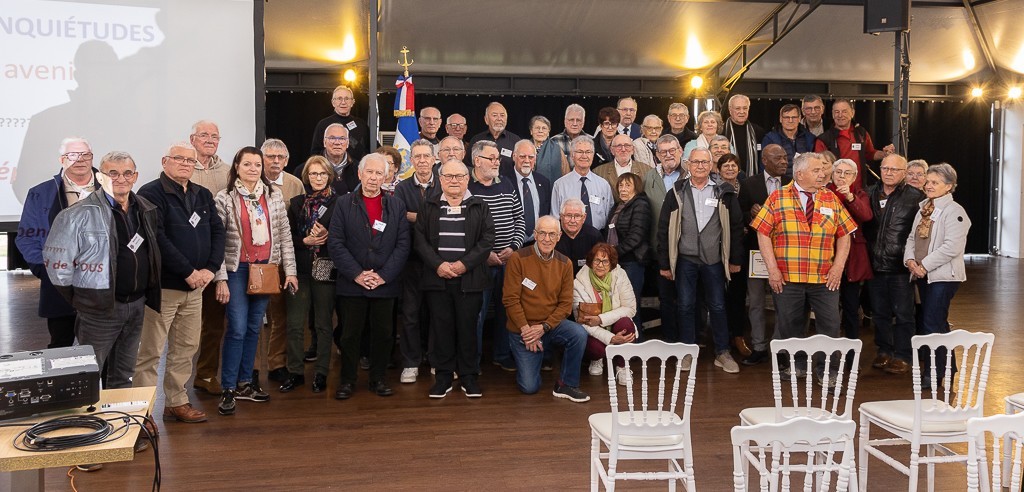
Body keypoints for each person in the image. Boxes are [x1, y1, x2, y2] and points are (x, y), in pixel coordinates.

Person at [45, 151, 161, 390]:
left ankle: (118, 415)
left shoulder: (145, 209)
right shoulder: (76, 214)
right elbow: (58, 267)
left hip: (136, 306)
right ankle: (83, 415)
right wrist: (85, 300)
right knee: (86, 376)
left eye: (127, 173)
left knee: (123, 375)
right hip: (98, 311)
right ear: (100, 177)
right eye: (113, 173)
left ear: (135, 177)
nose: (121, 179)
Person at [135, 143, 225, 424]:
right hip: (164, 288)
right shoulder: (150, 193)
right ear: (165, 162)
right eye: (179, 159)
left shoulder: (202, 194)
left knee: (185, 349)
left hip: (196, 288)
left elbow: (218, 231)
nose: (186, 163)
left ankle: (176, 402)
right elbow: (157, 238)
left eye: (190, 160)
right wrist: (188, 271)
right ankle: (142, 413)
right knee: (151, 352)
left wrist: (210, 269)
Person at [750, 152, 856, 384]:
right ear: (799, 174)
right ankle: (797, 365)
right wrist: (772, 270)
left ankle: (828, 370)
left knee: (830, 325)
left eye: (823, 170)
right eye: (816, 170)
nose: (823, 174)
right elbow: (762, 233)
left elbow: (845, 234)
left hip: (825, 277)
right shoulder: (778, 197)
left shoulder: (830, 197)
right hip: (788, 277)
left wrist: (838, 267)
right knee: (790, 326)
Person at [213, 147, 298, 416]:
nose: (253, 169)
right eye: (247, 164)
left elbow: (284, 236)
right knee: (237, 328)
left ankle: (245, 383)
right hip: (236, 270)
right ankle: (228, 387)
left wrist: (290, 271)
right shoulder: (224, 198)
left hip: (266, 269)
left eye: (257, 165)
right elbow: (217, 241)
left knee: (253, 328)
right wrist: (220, 278)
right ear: (236, 167)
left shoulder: (273, 196)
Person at [329, 153, 410, 400]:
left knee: (384, 334)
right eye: (369, 172)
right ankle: (347, 381)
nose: (374, 178)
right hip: (352, 282)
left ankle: (378, 379)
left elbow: (403, 245)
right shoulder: (343, 203)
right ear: (360, 174)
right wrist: (357, 274)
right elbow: (336, 243)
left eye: (379, 173)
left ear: (386, 177)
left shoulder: (396, 205)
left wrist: (383, 276)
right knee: (350, 335)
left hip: (385, 283)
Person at [657, 147, 744, 373]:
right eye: (696, 162)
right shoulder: (676, 191)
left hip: (714, 259)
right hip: (685, 259)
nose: (700, 166)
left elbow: (736, 227)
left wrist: (735, 259)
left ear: (711, 165)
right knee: (685, 305)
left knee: (718, 305)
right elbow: (664, 228)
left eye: (705, 162)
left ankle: (722, 352)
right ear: (688, 164)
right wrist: (665, 263)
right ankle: (688, 350)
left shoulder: (724, 191)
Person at [413, 159, 495, 398]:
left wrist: (463, 265)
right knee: (441, 329)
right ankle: (444, 377)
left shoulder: (480, 206)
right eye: (448, 176)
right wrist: (438, 265)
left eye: (459, 176)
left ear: (467, 179)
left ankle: (469, 376)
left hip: (470, 280)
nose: (454, 181)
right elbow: (420, 240)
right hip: (437, 279)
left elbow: (487, 239)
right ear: (440, 180)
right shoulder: (428, 206)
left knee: (468, 329)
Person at [16, 137, 96, 349]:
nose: (80, 159)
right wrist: (45, 270)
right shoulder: (40, 193)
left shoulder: (110, 189)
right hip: (59, 287)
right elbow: (26, 237)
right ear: (62, 160)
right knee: (61, 348)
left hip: (103, 286)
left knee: (104, 351)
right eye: (72, 155)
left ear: (92, 158)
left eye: (85, 154)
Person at [503, 215, 590, 402]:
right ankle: (531, 357)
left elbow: (565, 304)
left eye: (552, 234)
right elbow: (510, 300)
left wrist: (543, 327)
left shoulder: (565, 263)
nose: (547, 239)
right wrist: (527, 331)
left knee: (578, 334)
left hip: (549, 327)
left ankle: (566, 384)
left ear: (559, 237)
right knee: (529, 387)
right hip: (523, 330)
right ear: (535, 234)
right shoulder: (518, 258)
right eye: (542, 233)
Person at [904, 163, 971, 389]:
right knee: (935, 322)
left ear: (949, 186)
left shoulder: (955, 211)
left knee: (932, 322)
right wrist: (910, 260)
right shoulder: (924, 208)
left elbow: (952, 247)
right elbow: (912, 238)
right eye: (928, 182)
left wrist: (924, 265)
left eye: (935, 183)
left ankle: (934, 374)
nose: (929, 186)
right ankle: (947, 368)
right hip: (922, 273)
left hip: (943, 276)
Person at [280, 156, 338, 394]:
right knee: (294, 324)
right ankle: (295, 372)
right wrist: (305, 241)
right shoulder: (296, 203)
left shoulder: (340, 203)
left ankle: (321, 373)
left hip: (326, 265)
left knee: (323, 323)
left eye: (322, 173)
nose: (318, 178)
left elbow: (346, 236)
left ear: (329, 176)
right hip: (299, 269)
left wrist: (329, 234)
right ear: (306, 176)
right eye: (313, 174)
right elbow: (287, 238)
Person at [468, 140, 526, 372]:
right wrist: (485, 255)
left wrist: (514, 246)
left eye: (497, 158)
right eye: (491, 158)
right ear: (477, 160)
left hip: (508, 262)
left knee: (506, 311)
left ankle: (502, 355)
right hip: (480, 264)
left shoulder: (507, 183)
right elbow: (464, 230)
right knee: (477, 314)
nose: (496, 162)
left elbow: (520, 219)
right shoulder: (467, 187)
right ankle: (473, 361)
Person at [864, 154, 924, 374]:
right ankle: (884, 351)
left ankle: (903, 355)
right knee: (879, 313)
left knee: (904, 314)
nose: (888, 173)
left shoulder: (916, 197)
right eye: (885, 168)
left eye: (894, 170)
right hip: (874, 264)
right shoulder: (869, 193)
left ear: (904, 173)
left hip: (901, 266)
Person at [189, 121, 232, 396]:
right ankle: (177, 381)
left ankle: (205, 375)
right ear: (192, 139)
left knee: (214, 325)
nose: (209, 140)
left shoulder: (227, 172)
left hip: (216, 260)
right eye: (203, 135)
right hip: (186, 262)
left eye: (214, 136)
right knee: (184, 327)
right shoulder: (182, 167)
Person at [737, 144, 791, 366]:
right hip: (756, 253)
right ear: (765, 161)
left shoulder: (792, 183)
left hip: (786, 253)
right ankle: (759, 347)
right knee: (757, 302)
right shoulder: (749, 184)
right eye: (778, 158)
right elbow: (738, 214)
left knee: (783, 304)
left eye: (785, 157)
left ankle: (780, 350)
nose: (784, 162)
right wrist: (750, 214)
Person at [260, 139, 306, 386]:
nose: (275, 161)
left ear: (286, 161)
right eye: (270, 156)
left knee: (280, 315)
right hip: (254, 260)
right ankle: (250, 369)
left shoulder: (295, 183)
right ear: (262, 159)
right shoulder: (250, 180)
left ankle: (276, 364)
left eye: (280, 157)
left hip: (282, 258)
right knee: (251, 317)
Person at [393, 139, 439, 384]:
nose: (422, 161)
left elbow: (445, 216)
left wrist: (416, 216)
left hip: (438, 261)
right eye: (417, 157)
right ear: (411, 160)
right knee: (410, 313)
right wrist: (430, 217)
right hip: (410, 261)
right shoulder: (401, 188)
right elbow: (399, 218)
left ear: (434, 159)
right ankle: (411, 362)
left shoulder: (444, 183)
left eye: (426, 156)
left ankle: (434, 359)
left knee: (435, 313)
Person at [641, 134, 687, 343]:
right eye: (663, 152)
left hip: (687, 248)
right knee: (666, 298)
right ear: (657, 155)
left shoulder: (691, 174)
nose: (668, 155)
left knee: (688, 298)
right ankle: (670, 340)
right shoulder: (649, 177)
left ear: (680, 151)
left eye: (672, 150)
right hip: (660, 249)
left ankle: (690, 340)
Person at [574, 243, 637, 385]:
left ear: (612, 263)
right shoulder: (578, 283)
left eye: (605, 261)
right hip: (594, 331)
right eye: (596, 260)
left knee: (626, 323)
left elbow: (630, 308)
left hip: (613, 325)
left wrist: (601, 319)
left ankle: (622, 366)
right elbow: (583, 321)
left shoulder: (620, 275)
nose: (600, 265)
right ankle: (597, 359)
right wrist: (611, 338)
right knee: (595, 348)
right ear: (590, 262)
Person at [826, 159, 874, 345]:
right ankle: (830, 348)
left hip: (852, 257)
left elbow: (866, 216)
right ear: (832, 175)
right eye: (838, 172)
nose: (842, 176)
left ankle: (852, 349)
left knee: (851, 305)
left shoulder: (860, 194)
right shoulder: (824, 192)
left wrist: (850, 198)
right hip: (827, 254)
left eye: (847, 173)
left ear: (854, 177)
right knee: (828, 307)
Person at [814, 99, 895, 190]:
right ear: (832, 114)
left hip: (859, 189)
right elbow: (819, 167)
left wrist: (885, 154)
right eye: (837, 112)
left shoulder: (861, 133)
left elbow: (870, 153)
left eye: (844, 111)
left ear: (852, 113)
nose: (840, 115)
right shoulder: (824, 139)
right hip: (834, 190)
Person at [606, 172, 651, 331]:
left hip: (632, 261)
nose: (623, 189)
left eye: (627, 185)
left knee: (630, 303)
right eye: (620, 185)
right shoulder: (618, 206)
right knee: (617, 303)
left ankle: (636, 341)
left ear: (636, 188)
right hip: (617, 261)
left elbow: (636, 236)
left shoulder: (640, 205)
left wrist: (614, 252)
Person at [717, 153, 751, 355]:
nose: (730, 169)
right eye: (726, 165)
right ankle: (721, 337)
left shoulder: (747, 187)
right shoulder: (714, 188)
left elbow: (751, 211)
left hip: (742, 248)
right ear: (718, 169)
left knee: (738, 294)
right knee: (718, 295)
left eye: (733, 165)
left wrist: (746, 220)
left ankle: (738, 335)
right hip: (718, 248)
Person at [551, 136, 614, 230]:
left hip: (598, 236)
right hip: (568, 236)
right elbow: (555, 217)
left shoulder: (603, 185)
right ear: (572, 155)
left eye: (588, 152)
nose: (584, 156)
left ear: (593, 155)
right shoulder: (560, 185)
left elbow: (609, 215)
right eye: (580, 152)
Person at [310, 85, 371, 163]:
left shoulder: (361, 124)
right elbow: (315, 153)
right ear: (333, 102)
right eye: (339, 98)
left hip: (357, 168)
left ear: (352, 102)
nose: (343, 102)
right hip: (330, 168)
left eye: (347, 98)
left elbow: (371, 148)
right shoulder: (323, 124)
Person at [511, 139, 553, 244]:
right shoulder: (504, 181)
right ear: (514, 156)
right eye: (522, 156)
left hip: (538, 243)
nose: (527, 161)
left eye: (531, 157)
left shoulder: (544, 182)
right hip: (511, 244)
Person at [762, 104, 816, 177]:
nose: (790, 121)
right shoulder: (770, 139)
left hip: (804, 180)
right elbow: (764, 165)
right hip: (779, 181)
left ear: (799, 118)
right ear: (781, 119)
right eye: (786, 117)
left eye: (794, 117)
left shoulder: (809, 138)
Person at [468, 102, 521, 178]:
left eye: (502, 115)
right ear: (486, 119)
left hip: (508, 184)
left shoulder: (516, 140)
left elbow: (520, 166)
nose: (499, 119)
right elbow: (468, 166)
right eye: (495, 115)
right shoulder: (476, 140)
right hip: (482, 183)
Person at [594, 133, 650, 203]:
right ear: (612, 150)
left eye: (627, 145)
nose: (623, 149)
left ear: (633, 150)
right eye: (619, 146)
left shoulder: (646, 170)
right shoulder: (598, 172)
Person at [555, 198, 604, 275]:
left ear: (584, 217)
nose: (572, 221)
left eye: (577, 216)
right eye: (568, 215)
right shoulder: (551, 234)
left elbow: (602, 264)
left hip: (586, 279)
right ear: (561, 216)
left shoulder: (594, 236)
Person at [723, 94, 765, 177]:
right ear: (730, 110)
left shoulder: (758, 131)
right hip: (726, 178)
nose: (742, 112)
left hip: (752, 179)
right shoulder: (722, 131)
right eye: (738, 108)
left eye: (745, 108)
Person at [319, 123, 358, 194]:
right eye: (332, 138)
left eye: (342, 138)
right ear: (324, 142)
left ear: (348, 143)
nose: (337, 142)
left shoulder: (359, 169)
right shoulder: (308, 169)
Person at [549, 104, 588, 173]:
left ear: (583, 122)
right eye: (571, 120)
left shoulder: (592, 141)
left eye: (578, 120)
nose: (575, 123)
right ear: (565, 122)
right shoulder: (554, 141)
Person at [529, 115, 569, 182]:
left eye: (544, 128)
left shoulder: (557, 150)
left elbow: (566, 173)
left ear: (548, 132)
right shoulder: (524, 147)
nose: (540, 131)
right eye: (537, 128)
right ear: (531, 131)